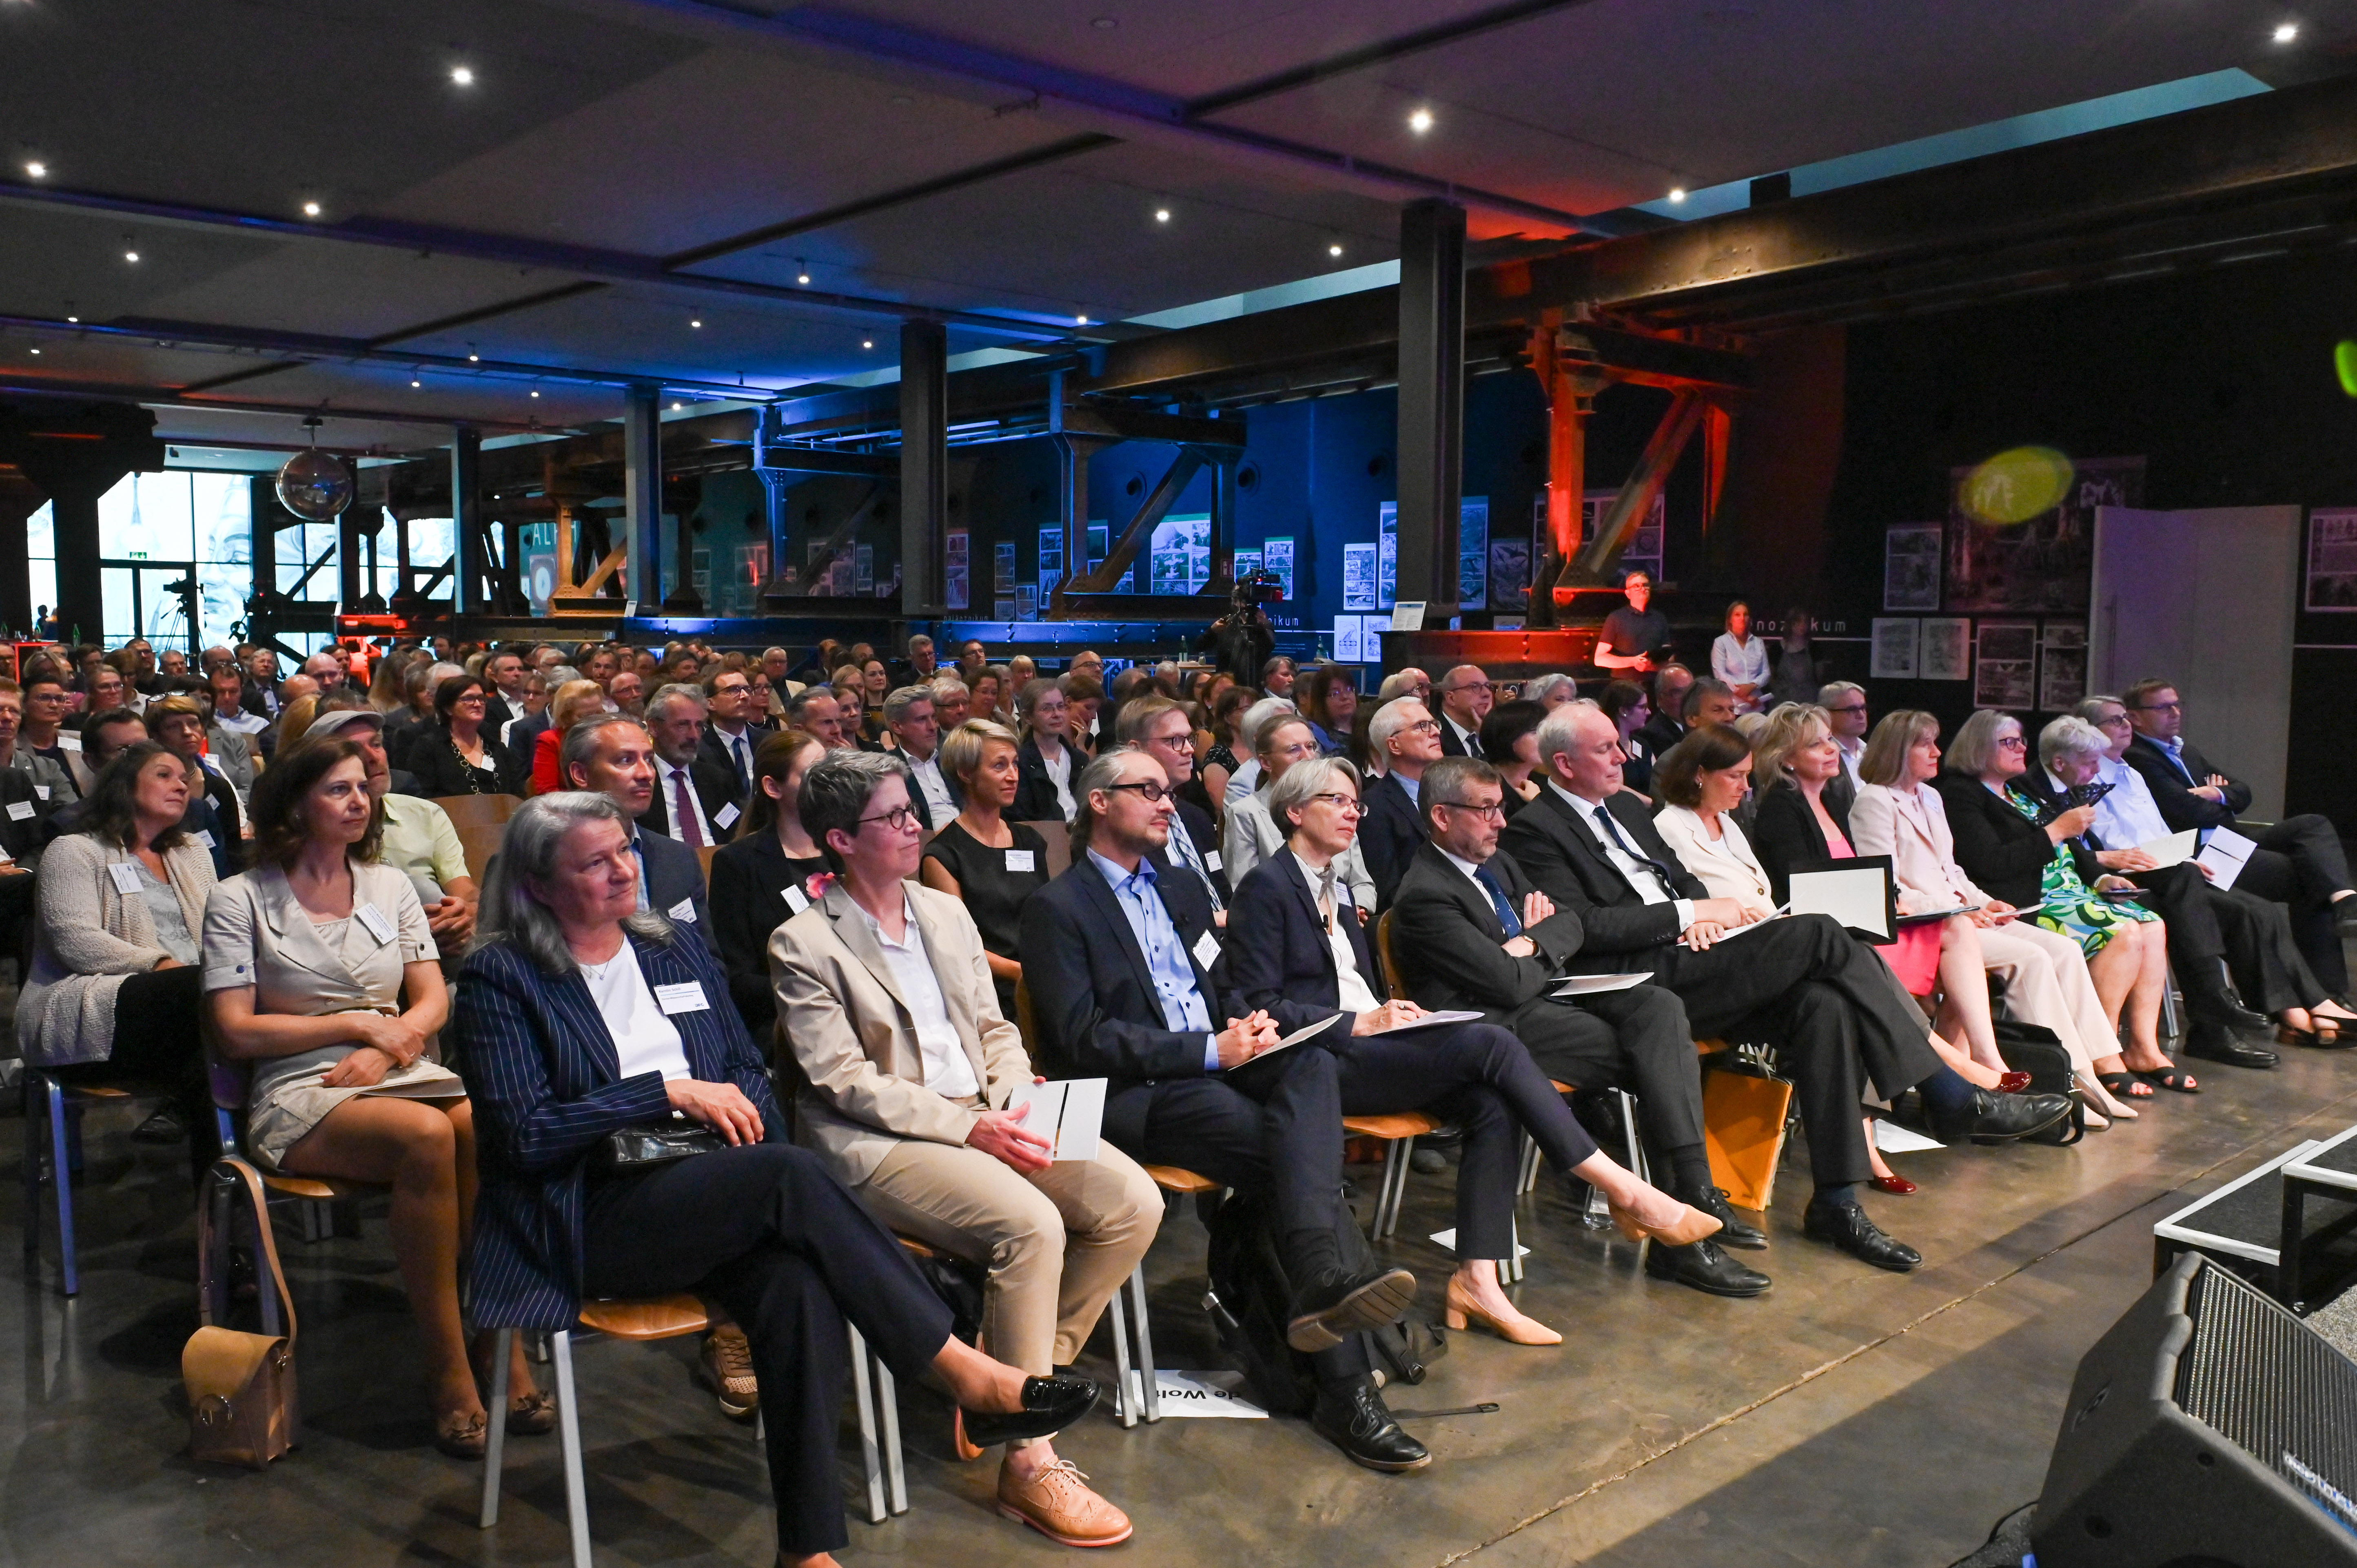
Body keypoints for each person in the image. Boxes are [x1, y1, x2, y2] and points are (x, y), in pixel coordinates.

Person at [454, 792, 1092, 1566]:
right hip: (586, 1209)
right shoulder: (502, 975)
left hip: (711, 1188)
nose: (625, 869)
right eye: (595, 861)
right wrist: (662, 1091)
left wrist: (723, 1127)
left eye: (625, 848)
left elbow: (743, 1074)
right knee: (788, 1172)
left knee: (797, 1283)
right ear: (538, 885)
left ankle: (808, 1550)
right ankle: (961, 1370)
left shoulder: (672, 945)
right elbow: (521, 1136)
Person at [1499, 702, 2072, 1270]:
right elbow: (1577, 926)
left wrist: (1701, 912)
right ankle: (1950, 1093)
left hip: (1699, 955)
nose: (1622, 754)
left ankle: (1837, 1202)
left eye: (1615, 743)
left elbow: (1682, 878)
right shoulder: (1535, 829)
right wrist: (1686, 913)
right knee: (1822, 934)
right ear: (1563, 763)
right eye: (1603, 748)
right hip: (1639, 977)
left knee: (1824, 1006)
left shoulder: (1624, 809)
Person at [1020, 748, 1434, 1471]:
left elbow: (1221, 981)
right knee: (1288, 1159)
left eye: (1170, 790)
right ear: (1097, 802)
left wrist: (1253, 1027)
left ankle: (1315, 1293)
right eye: (1147, 790)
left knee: (1309, 1062)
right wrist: (1212, 1049)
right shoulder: (1058, 907)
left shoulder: (1180, 887)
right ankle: (1344, 1382)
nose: (1167, 801)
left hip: (1220, 1058)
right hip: (1131, 1090)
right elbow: (1079, 1037)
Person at [775, 752, 1150, 1547]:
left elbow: (994, 1028)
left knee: (1131, 1202)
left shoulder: (943, 912)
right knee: (1031, 1224)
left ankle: (1005, 1381)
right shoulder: (802, 941)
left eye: (912, 808)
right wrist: (970, 1126)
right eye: (894, 816)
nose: (915, 824)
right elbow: (842, 1081)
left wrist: (1014, 1094)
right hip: (881, 1139)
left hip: (987, 1105)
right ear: (840, 838)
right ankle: (1028, 1459)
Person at [1229, 751, 1725, 1317]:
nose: (1352, 815)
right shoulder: (1266, 888)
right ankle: (1624, 1189)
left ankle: (1478, 1280)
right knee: (1493, 1042)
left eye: (1355, 803)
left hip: (1385, 1037)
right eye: (1336, 802)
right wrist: (1357, 1022)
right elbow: (1256, 1004)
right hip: (1328, 1057)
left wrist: (1522, 946)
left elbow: (1569, 922)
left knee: (1494, 1100)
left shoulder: (1335, 885)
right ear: (1293, 812)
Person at [199, 739, 532, 1455]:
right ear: (294, 804)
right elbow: (232, 1029)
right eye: (337, 789)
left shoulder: (389, 885)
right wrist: (351, 1024)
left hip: (399, 1061)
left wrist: (392, 1036)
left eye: (362, 788)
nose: (359, 801)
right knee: (427, 1135)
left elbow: (432, 995)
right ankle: (448, 1365)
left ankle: (501, 1337)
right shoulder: (239, 897)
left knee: (480, 1122)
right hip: (300, 1081)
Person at [1387, 755, 1767, 1297]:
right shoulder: (1425, 894)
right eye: (1486, 810)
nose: (1501, 822)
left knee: (1657, 1008)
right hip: (1493, 1029)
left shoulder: (1495, 864)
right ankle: (1684, 1231)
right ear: (1442, 817)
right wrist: (1538, 943)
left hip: (1545, 1000)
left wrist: (1530, 946)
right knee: (1658, 1058)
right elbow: (1507, 985)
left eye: (1500, 807)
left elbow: (1572, 922)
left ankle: (1692, 1199)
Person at [1847, 710, 2156, 1120]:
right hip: (1923, 926)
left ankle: (2088, 1074)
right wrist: (1959, 909)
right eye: (1926, 744)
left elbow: (1951, 869)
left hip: (1960, 916)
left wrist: (1982, 901)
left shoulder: (1930, 797)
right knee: (2030, 958)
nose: (1936, 751)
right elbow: (1886, 885)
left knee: (2062, 949)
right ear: (1900, 750)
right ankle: (2064, 1085)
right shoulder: (1873, 800)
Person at [1749, 704, 2022, 1092]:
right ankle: (1962, 1079)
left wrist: (1890, 898)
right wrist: (1883, 902)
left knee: (1960, 933)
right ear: (1786, 759)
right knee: (1959, 943)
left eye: (1829, 739)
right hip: (1835, 937)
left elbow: (1865, 873)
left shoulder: (1831, 799)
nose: (1830, 749)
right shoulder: (1781, 807)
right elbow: (1805, 890)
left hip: (1861, 922)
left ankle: (1978, 1065)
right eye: (1815, 745)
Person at [1938, 710, 2191, 1099]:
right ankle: (2105, 1055)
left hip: (2073, 888)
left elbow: (2073, 848)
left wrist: (2101, 877)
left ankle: (2144, 1046)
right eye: (2009, 742)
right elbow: (1990, 863)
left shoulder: (2021, 788)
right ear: (1979, 747)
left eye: (2022, 739)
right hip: (2031, 898)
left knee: (2153, 925)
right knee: (2122, 933)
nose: (2022, 747)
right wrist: (2056, 830)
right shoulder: (1961, 795)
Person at [2071, 698, 2344, 1052]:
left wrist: (2216, 795)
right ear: (2088, 732)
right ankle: (2295, 1010)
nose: (2125, 725)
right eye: (2114, 720)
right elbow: (2169, 818)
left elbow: (2237, 792)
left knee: (2282, 890)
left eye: (2125, 718)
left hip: (2182, 859)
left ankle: (2305, 1005)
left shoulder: (2137, 769)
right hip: (2151, 870)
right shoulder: (2110, 770)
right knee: (2249, 909)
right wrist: (2208, 808)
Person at [20, 743, 210, 1151]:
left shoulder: (191, 852)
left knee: (238, 1007)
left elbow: (220, 931)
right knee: (215, 995)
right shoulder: (74, 850)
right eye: (164, 775)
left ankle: (222, 1192)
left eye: (183, 777)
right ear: (125, 785)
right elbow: (77, 942)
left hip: (189, 1007)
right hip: (92, 1004)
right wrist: (160, 965)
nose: (180, 785)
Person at [2121, 678, 2357, 992]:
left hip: (2226, 836)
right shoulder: (2138, 757)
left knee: (2311, 825)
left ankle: (2346, 901)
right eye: (2164, 708)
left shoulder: (2185, 751)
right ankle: (2330, 995)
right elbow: (2184, 811)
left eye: (2177, 704)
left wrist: (2214, 795)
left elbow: (2243, 792)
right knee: (2309, 876)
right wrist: (2219, 796)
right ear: (2135, 717)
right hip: (2196, 849)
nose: (2175, 713)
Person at [300, 707, 479, 955]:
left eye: (377, 744)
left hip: (440, 944)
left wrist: (462, 916)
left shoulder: (426, 814)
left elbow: (465, 892)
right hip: (362, 949)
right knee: (416, 886)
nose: (373, 757)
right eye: (354, 751)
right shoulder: (317, 832)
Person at [920, 719, 1052, 1025]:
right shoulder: (944, 854)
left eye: (1015, 765)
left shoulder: (1029, 841)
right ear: (966, 773)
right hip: (990, 992)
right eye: (999, 766)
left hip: (1041, 976)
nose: (1013, 776)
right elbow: (957, 948)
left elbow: (1047, 918)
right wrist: (1027, 974)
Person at [709, 730, 829, 1036]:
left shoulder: (844, 846)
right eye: (812, 776)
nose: (827, 786)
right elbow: (737, 977)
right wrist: (819, 996)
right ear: (773, 787)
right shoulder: (739, 863)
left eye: (828, 772)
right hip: (786, 1022)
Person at [560, 715, 713, 943]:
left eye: (649, 760)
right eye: (625, 760)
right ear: (581, 775)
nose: (647, 774)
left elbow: (709, 960)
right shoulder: (538, 861)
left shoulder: (680, 858)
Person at [1224, 710, 1375, 909]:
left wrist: (1355, 910)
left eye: (1311, 746)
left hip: (1343, 919)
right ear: (1266, 762)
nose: (1307, 757)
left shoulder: (1338, 806)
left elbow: (1363, 883)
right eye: (1294, 749)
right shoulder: (1247, 812)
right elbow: (1244, 889)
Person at [1117, 697, 1229, 915]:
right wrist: (1208, 922)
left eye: (1189, 739)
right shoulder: (1124, 824)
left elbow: (1220, 884)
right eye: (1174, 740)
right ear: (1136, 749)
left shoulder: (1196, 817)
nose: (1188, 750)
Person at [1357, 698, 1443, 908]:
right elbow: (1390, 892)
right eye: (1422, 726)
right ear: (1394, 746)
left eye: (1434, 724)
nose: (1435, 732)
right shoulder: (1374, 808)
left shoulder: (1456, 793)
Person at [144, 694, 245, 860]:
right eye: (174, 727)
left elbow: (234, 852)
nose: (187, 732)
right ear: (156, 736)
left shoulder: (219, 787)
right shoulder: (149, 786)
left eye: (193, 723)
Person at [640, 684, 738, 847]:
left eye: (699, 726)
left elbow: (734, 833)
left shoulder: (718, 780)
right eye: (683, 725)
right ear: (654, 727)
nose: (694, 735)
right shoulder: (640, 782)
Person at [404, 674, 517, 799]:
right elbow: (423, 795)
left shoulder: (494, 744)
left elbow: (515, 788)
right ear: (448, 709)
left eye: (481, 698)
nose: (478, 704)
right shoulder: (428, 747)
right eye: (468, 699)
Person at [882, 685, 959, 831]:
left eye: (933, 718)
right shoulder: (889, 771)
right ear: (897, 727)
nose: (933, 726)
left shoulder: (951, 758)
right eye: (921, 720)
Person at [1010, 678, 1080, 823]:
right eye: (1047, 708)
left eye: (1061, 706)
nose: (1057, 714)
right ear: (1028, 717)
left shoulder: (1080, 760)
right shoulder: (1019, 764)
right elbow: (1021, 817)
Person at [526, 678, 608, 797]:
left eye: (600, 713)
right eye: (586, 716)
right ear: (566, 717)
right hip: (568, 810)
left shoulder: (611, 739)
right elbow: (547, 793)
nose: (595, 720)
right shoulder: (551, 741)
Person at [699, 667, 760, 807]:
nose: (745, 696)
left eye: (748, 689)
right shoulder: (699, 750)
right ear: (710, 703)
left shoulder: (768, 741)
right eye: (734, 690)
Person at [1479, 700, 1548, 821]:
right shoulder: (1484, 787)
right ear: (1509, 737)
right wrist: (1538, 805)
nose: (1545, 739)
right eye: (1536, 731)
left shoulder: (1545, 784)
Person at [1594, 568, 1670, 675]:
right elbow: (1599, 659)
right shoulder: (1616, 618)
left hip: (1654, 684)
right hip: (1624, 685)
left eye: (1646, 585)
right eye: (1637, 586)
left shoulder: (1659, 618)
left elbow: (1670, 659)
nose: (1643, 589)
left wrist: (1651, 667)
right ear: (1628, 593)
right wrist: (1634, 661)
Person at [1711, 600, 1770, 714]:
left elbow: (1766, 673)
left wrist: (1752, 686)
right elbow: (1720, 675)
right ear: (1730, 620)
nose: (1742, 618)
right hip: (1733, 707)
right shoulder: (1721, 642)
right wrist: (1744, 695)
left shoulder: (1758, 643)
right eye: (1737, 615)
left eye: (1746, 615)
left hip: (1757, 705)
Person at [1818, 681, 1870, 812]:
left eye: (1863, 708)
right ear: (1827, 714)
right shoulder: (1821, 758)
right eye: (1852, 710)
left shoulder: (1873, 753)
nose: (1861, 715)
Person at [1201, 684, 1255, 806]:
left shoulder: (1262, 748)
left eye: (1256, 709)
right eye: (1247, 710)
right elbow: (1223, 806)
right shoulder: (1218, 755)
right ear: (1227, 717)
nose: (1255, 715)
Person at [1633, 662, 1693, 760]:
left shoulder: (1700, 726)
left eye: (1690, 690)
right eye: (1677, 692)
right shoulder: (1652, 735)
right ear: (1660, 698)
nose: (1687, 698)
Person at [1297, 666, 1359, 757]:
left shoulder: (1367, 726)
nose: (1345, 697)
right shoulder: (1313, 733)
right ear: (1321, 701)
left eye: (1349, 690)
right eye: (1335, 693)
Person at [1433, 664, 1492, 759]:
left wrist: (1488, 736)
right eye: (1475, 687)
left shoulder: (1494, 735)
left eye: (1488, 686)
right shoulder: (1435, 738)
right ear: (1451, 698)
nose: (1487, 693)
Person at [1769, 609, 1819, 707]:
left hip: (1808, 702)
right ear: (1790, 624)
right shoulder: (1777, 648)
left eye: (1805, 622)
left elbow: (1819, 677)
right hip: (1783, 702)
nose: (1802, 625)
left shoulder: (1814, 648)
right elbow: (1771, 677)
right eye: (1798, 622)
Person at [785, 684, 848, 750]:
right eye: (827, 722)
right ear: (799, 730)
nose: (837, 730)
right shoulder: (786, 760)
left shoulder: (847, 758)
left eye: (838, 721)